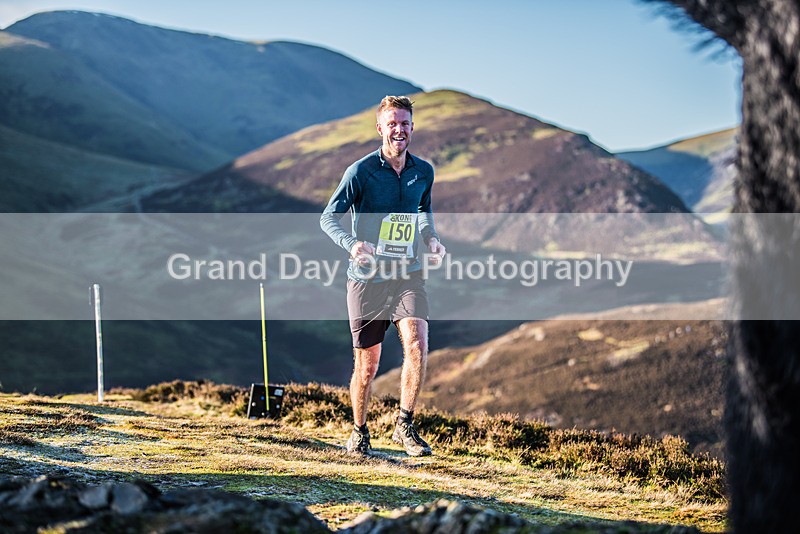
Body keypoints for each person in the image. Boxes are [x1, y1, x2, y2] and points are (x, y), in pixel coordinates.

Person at [320, 95, 446, 456]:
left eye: (405, 123)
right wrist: (351, 243)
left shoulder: (424, 171)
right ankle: (359, 431)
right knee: (367, 365)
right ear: (380, 129)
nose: (399, 130)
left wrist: (432, 240)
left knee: (418, 345)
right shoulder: (360, 172)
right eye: (392, 123)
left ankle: (404, 426)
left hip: (408, 273)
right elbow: (328, 217)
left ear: (412, 127)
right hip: (366, 278)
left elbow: (424, 210)